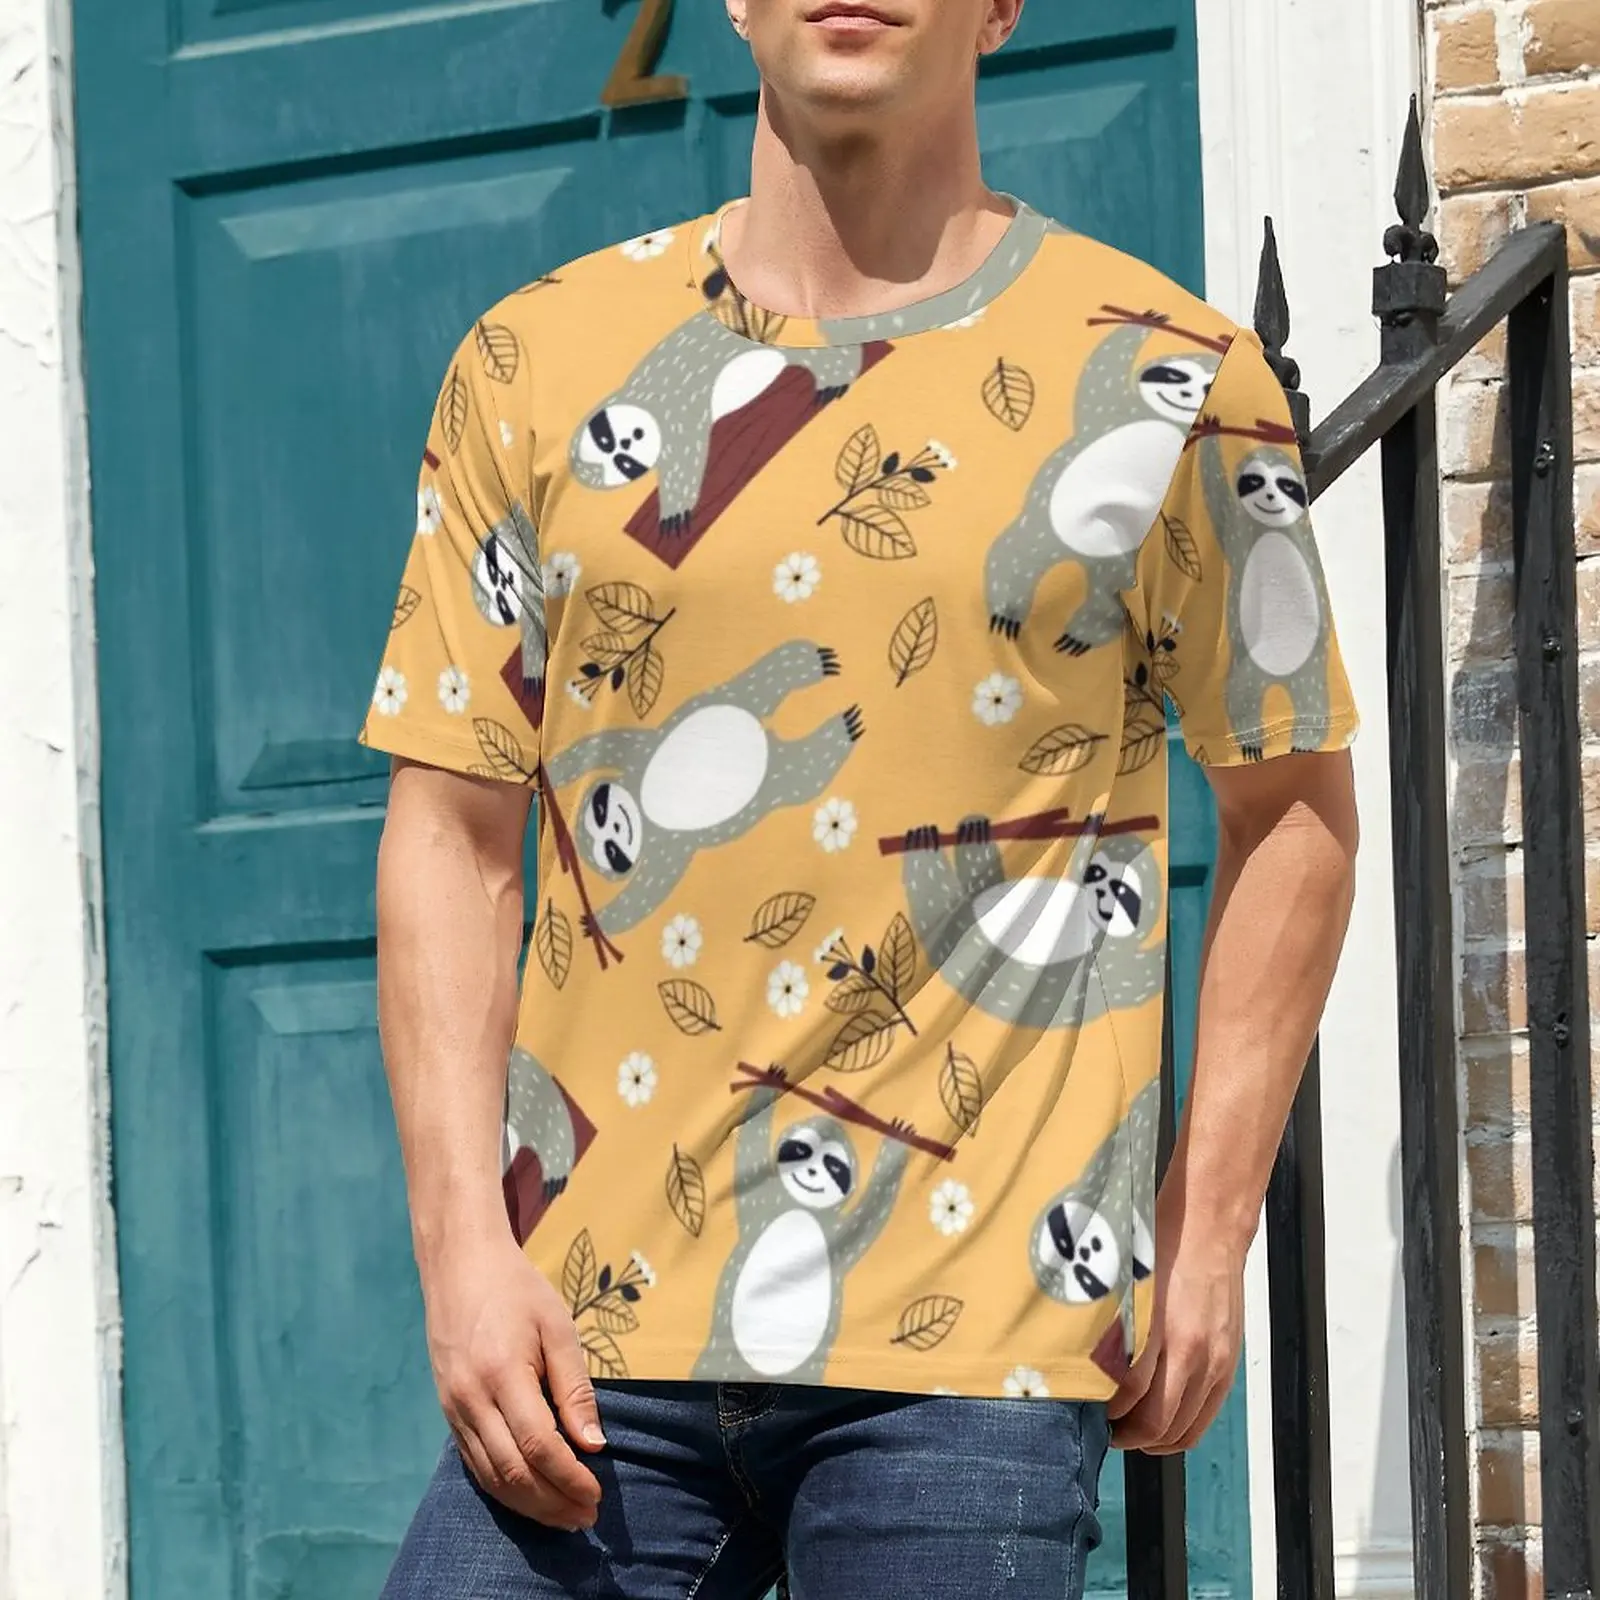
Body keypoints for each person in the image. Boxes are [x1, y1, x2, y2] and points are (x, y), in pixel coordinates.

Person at [361, 1, 1360, 1594]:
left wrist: (1210, 1223)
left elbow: (1294, 807)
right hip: (591, 1316)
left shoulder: (1168, 377)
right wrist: (462, 1251)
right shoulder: (535, 361)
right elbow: (450, 828)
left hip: (975, 1340)